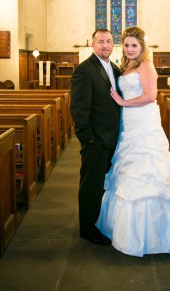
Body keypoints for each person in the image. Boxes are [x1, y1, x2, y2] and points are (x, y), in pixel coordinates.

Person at [96, 26, 170, 257]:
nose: (130, 49)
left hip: (144, 121)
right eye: (126, 45)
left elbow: (150, 96)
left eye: (134, 45)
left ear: (142, 47)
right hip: (129, 123)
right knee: (128, 169)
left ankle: (158, 234)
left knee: (149, 168)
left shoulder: (146, 65)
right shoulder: (126, 67)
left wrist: (123, 103)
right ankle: (127, 229)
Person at [70, 29, 121, 245]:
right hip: (96, 140)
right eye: (101, 41)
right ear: (93, 45)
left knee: (104, 184)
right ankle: (87, 228)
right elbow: (78, 110)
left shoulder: (115, 69)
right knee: (91, 185)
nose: (105, 45)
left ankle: (99, 221)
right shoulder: (84, 70)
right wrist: (88, 139)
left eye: (109, 41)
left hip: (113, 139)